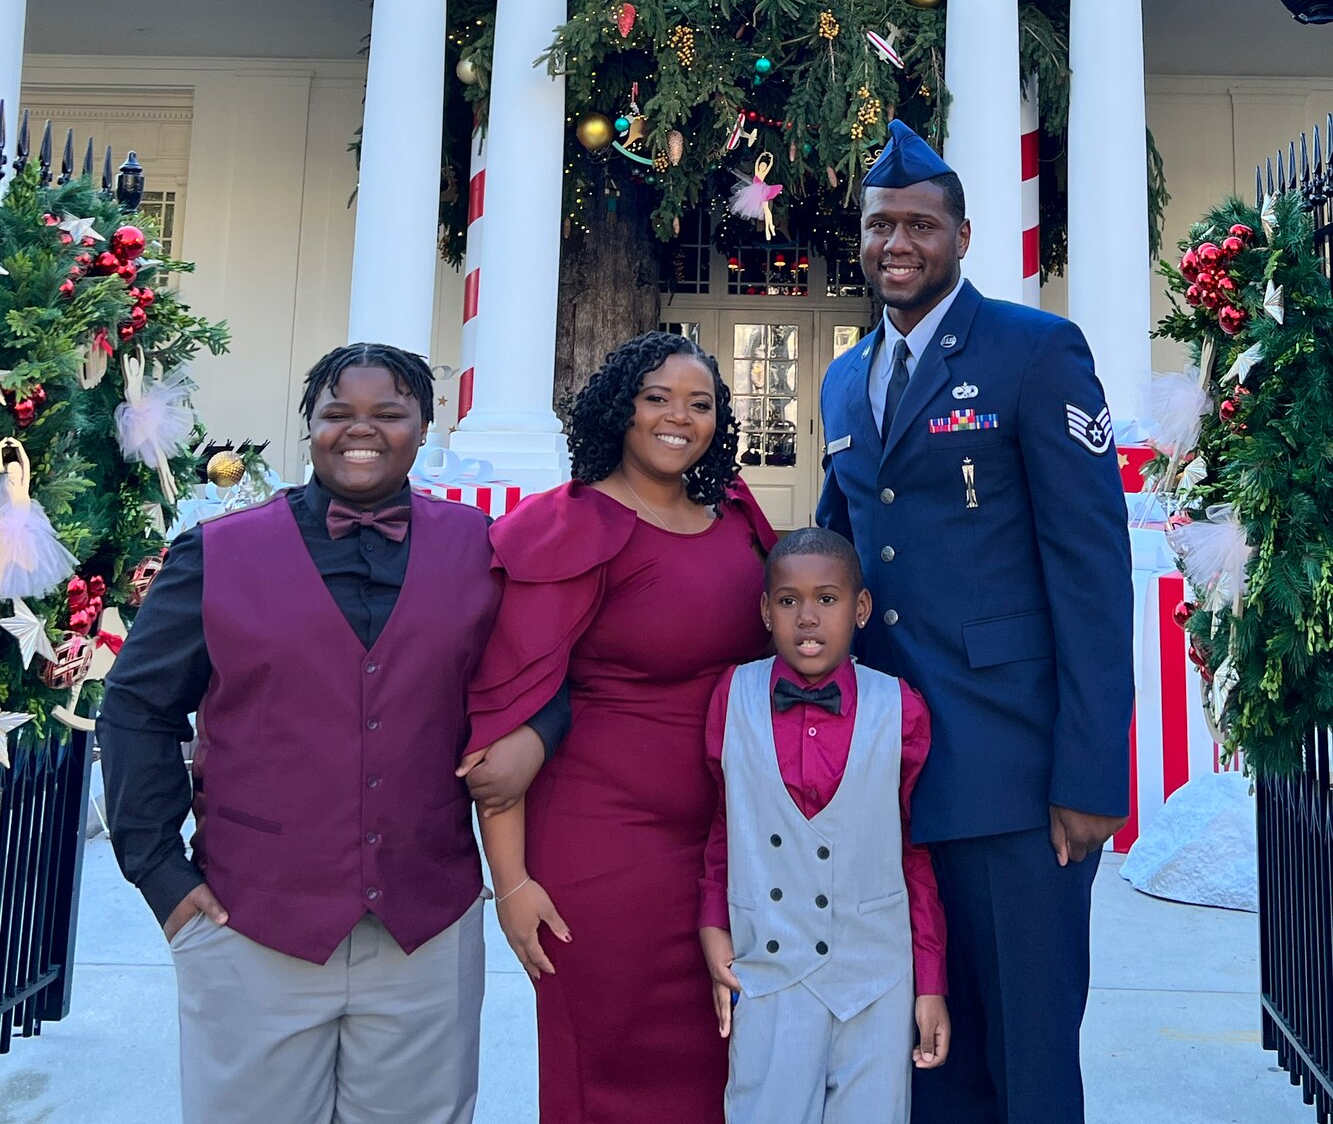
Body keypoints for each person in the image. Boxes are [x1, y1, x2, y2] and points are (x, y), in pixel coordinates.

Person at [98, 341, 566, 1124]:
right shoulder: (216, 552)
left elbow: (548, 673)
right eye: (337, 413)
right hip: (252, 924)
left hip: (427, 928)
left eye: (388, 413)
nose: (362, 430)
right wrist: (159, 873)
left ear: (424, 427)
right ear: (309, 425)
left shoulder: (484, 548)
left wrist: (539, 736)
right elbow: (137, 707)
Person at [817, 120, 1134, 1124]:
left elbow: (1090, 572)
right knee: (925, 1054)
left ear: (962, 235)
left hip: (1012, 775)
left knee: (1029, 1059)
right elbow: (842, 560)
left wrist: (1090, 775)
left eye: (919, 223)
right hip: (893, 778)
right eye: (879, 225)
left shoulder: (1035, 350)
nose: (896, 242)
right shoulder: (842, 376)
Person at [464, 331, 775, 1124]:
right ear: (620, 412)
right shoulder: (571, 526)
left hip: (729, 845)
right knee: (606, 1071)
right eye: (657, 399)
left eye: (699, 403)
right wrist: (512, 886)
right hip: (603, 851)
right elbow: (502, 723)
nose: (680, 418)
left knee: (723, 1064)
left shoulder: (737, 515)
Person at [699, 526, 949, 1124]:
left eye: (828, 599)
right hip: (770, 970)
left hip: (876, 979)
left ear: (861, 608)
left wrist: (929, 983)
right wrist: (713, 926)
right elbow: (724, 828)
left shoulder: (900, 706)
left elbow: (915, 853)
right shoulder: (733, 696)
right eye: (789, 601)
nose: (807, 617)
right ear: (766, 609)